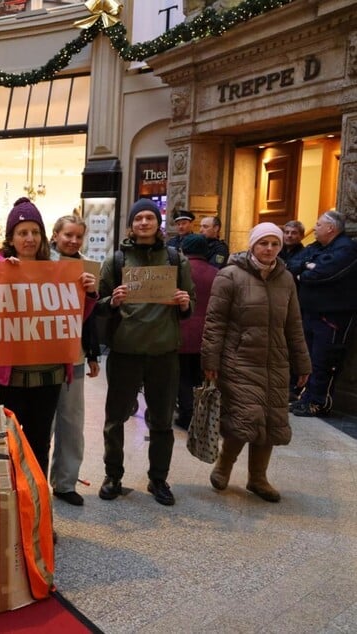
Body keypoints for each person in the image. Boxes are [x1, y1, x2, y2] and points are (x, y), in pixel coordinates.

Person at [0, 199, 97, 478]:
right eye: (22, 232)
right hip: (9, 376)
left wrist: (89, 294)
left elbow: (72, 320)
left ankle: (36, 503)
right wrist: (2, 274)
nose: (30, 238)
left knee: (39, 442)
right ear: (11, 237)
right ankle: (10, 501)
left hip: (48, 374)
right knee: (5, 441)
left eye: (35, 232)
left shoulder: (56, 269)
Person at [201, 222, 311, 502]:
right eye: (264, 243)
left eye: (275, 244)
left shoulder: (286, 279)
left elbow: (294, 325)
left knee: (272, 421)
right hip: (239, 360)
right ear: (252, 245)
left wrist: (303, 364)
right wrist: (210, 360)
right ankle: (224, 465)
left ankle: (258, 478)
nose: (270, 249)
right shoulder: (230, 276)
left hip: (275, 361)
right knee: (245, 418)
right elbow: (215, 323)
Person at [96, 198, 194, 506]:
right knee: (115, 419)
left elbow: (190, 301)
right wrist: (111, 301)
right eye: (139, 218)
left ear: (157, 223)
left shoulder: (176, 259)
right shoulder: (117, 260)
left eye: (149, 217)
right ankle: (113, 475)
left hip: (163, 351)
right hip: (125, 350)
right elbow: (97, 304)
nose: (144, 223)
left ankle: (158, 479)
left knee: (163, 420)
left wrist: (184, 301)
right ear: (131, 224)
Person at [48, 214, 100, 505]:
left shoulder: (88, 268)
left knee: (71, 421)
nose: (73, 240)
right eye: (68, 235)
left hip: (74, 355)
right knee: (45, 423)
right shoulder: (39, 262)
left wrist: (93, 352)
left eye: (78, 236)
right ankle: (34, 479)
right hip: (41, 355)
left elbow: (89, 319)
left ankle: (65, 482)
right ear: (55, 235)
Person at [286, 211, 357, 417]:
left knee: (324, 359)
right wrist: (307, 267)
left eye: (318, 225)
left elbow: (323, 273)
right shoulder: (316, 247)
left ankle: (318, 401)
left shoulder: (347, 249)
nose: (314, 228)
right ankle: (305, 397)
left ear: (330, 228)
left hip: (332, 315)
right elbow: (294, 265)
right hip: (311, 312)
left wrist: (306, 270)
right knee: (308, 357)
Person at [175, 234, 218, 430]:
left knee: (182, 376)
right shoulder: (217, 273)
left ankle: (186, 414)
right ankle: (200, 413)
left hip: (181, 330)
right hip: (208, 333)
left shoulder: (179, 271)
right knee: (199, 376)